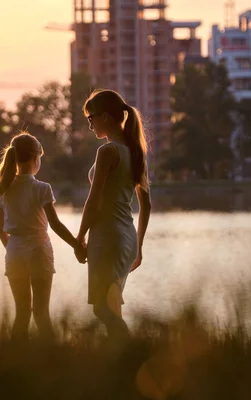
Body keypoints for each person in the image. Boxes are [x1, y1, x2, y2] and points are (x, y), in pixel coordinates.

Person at [75, 89, 152, 342]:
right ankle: (119, 362)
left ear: (106, 117)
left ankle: (134, 353)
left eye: (91, 118)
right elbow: (146, 204)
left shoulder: (108, 152)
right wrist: (138, 246)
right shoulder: (135, 151)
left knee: (103, 309)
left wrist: (79, 237)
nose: (90, 124)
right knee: (112, 306)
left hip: (107, 237)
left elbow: (94, 200)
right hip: (126, 238)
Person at [0, 132, 81, 342]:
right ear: (35, 159)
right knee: (41, 314)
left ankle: (16, 360)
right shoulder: (42, 188)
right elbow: (56, 224)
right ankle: (51, 359)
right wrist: (77, 245)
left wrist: (15, 248)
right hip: (39, 251)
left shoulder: (4, 190)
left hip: (13, 252)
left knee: (21, 314)